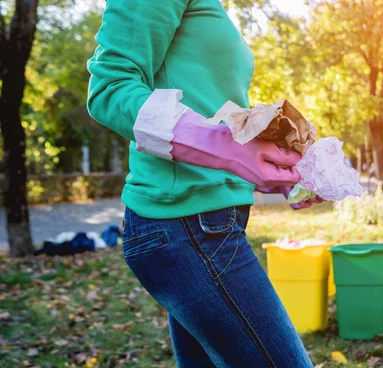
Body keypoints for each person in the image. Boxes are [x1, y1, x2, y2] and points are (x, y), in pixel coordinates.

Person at [86, 1, 317, 366]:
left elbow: (208, 110)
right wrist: (230, 152)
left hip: (207, 224)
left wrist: (271, 169)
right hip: (183, 225)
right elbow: (109, 88)